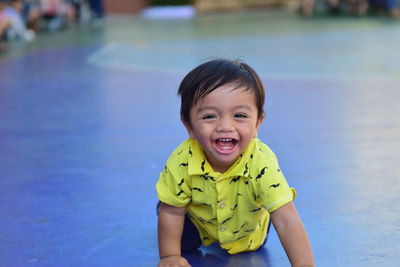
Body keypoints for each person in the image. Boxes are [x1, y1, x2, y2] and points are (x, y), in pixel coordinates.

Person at [156, 59, 315, 267]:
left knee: (263, 228)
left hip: (248, 233)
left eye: (239, 115)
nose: (225, 126)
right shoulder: (182, 160)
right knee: (168, 208)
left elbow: (286, 221)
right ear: (189, 126)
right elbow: (172, 212)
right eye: (210, 116)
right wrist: (170, 256)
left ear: (257, 123)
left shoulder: (262, 163)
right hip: (200, 225)